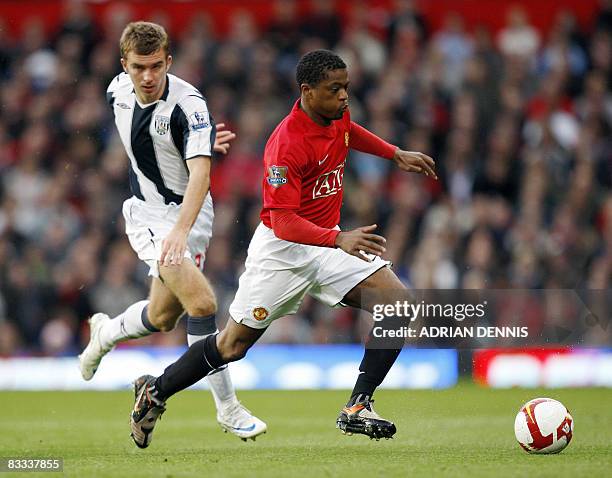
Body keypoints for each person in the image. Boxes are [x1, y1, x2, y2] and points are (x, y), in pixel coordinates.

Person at [128, 49, 436, 446]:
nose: (344, 97)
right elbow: (284, 219)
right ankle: (155, 392)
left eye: (346, 88)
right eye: (334, 89)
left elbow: (348, 131)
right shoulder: (286, 144)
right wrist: (338, 238)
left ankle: (358, 405)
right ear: (307, 92)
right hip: (283, 251)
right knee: (232, 346)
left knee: (398, 304)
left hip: (327, 243)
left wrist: (394, 154)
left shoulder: (335, 115)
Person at [77, 21, 266, 446]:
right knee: (203, 303)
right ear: (123, 65)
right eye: (139, 67)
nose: (147, 77)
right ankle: (228, 409)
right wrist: (186, 147)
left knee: (163, 317)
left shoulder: (190, 107)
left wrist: (196, 145)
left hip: (190, 216)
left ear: (169, 62)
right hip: (147, 215)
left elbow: (200, 176)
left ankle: (104, 334)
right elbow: (142, 140)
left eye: (156, 66)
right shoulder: (115, 91)